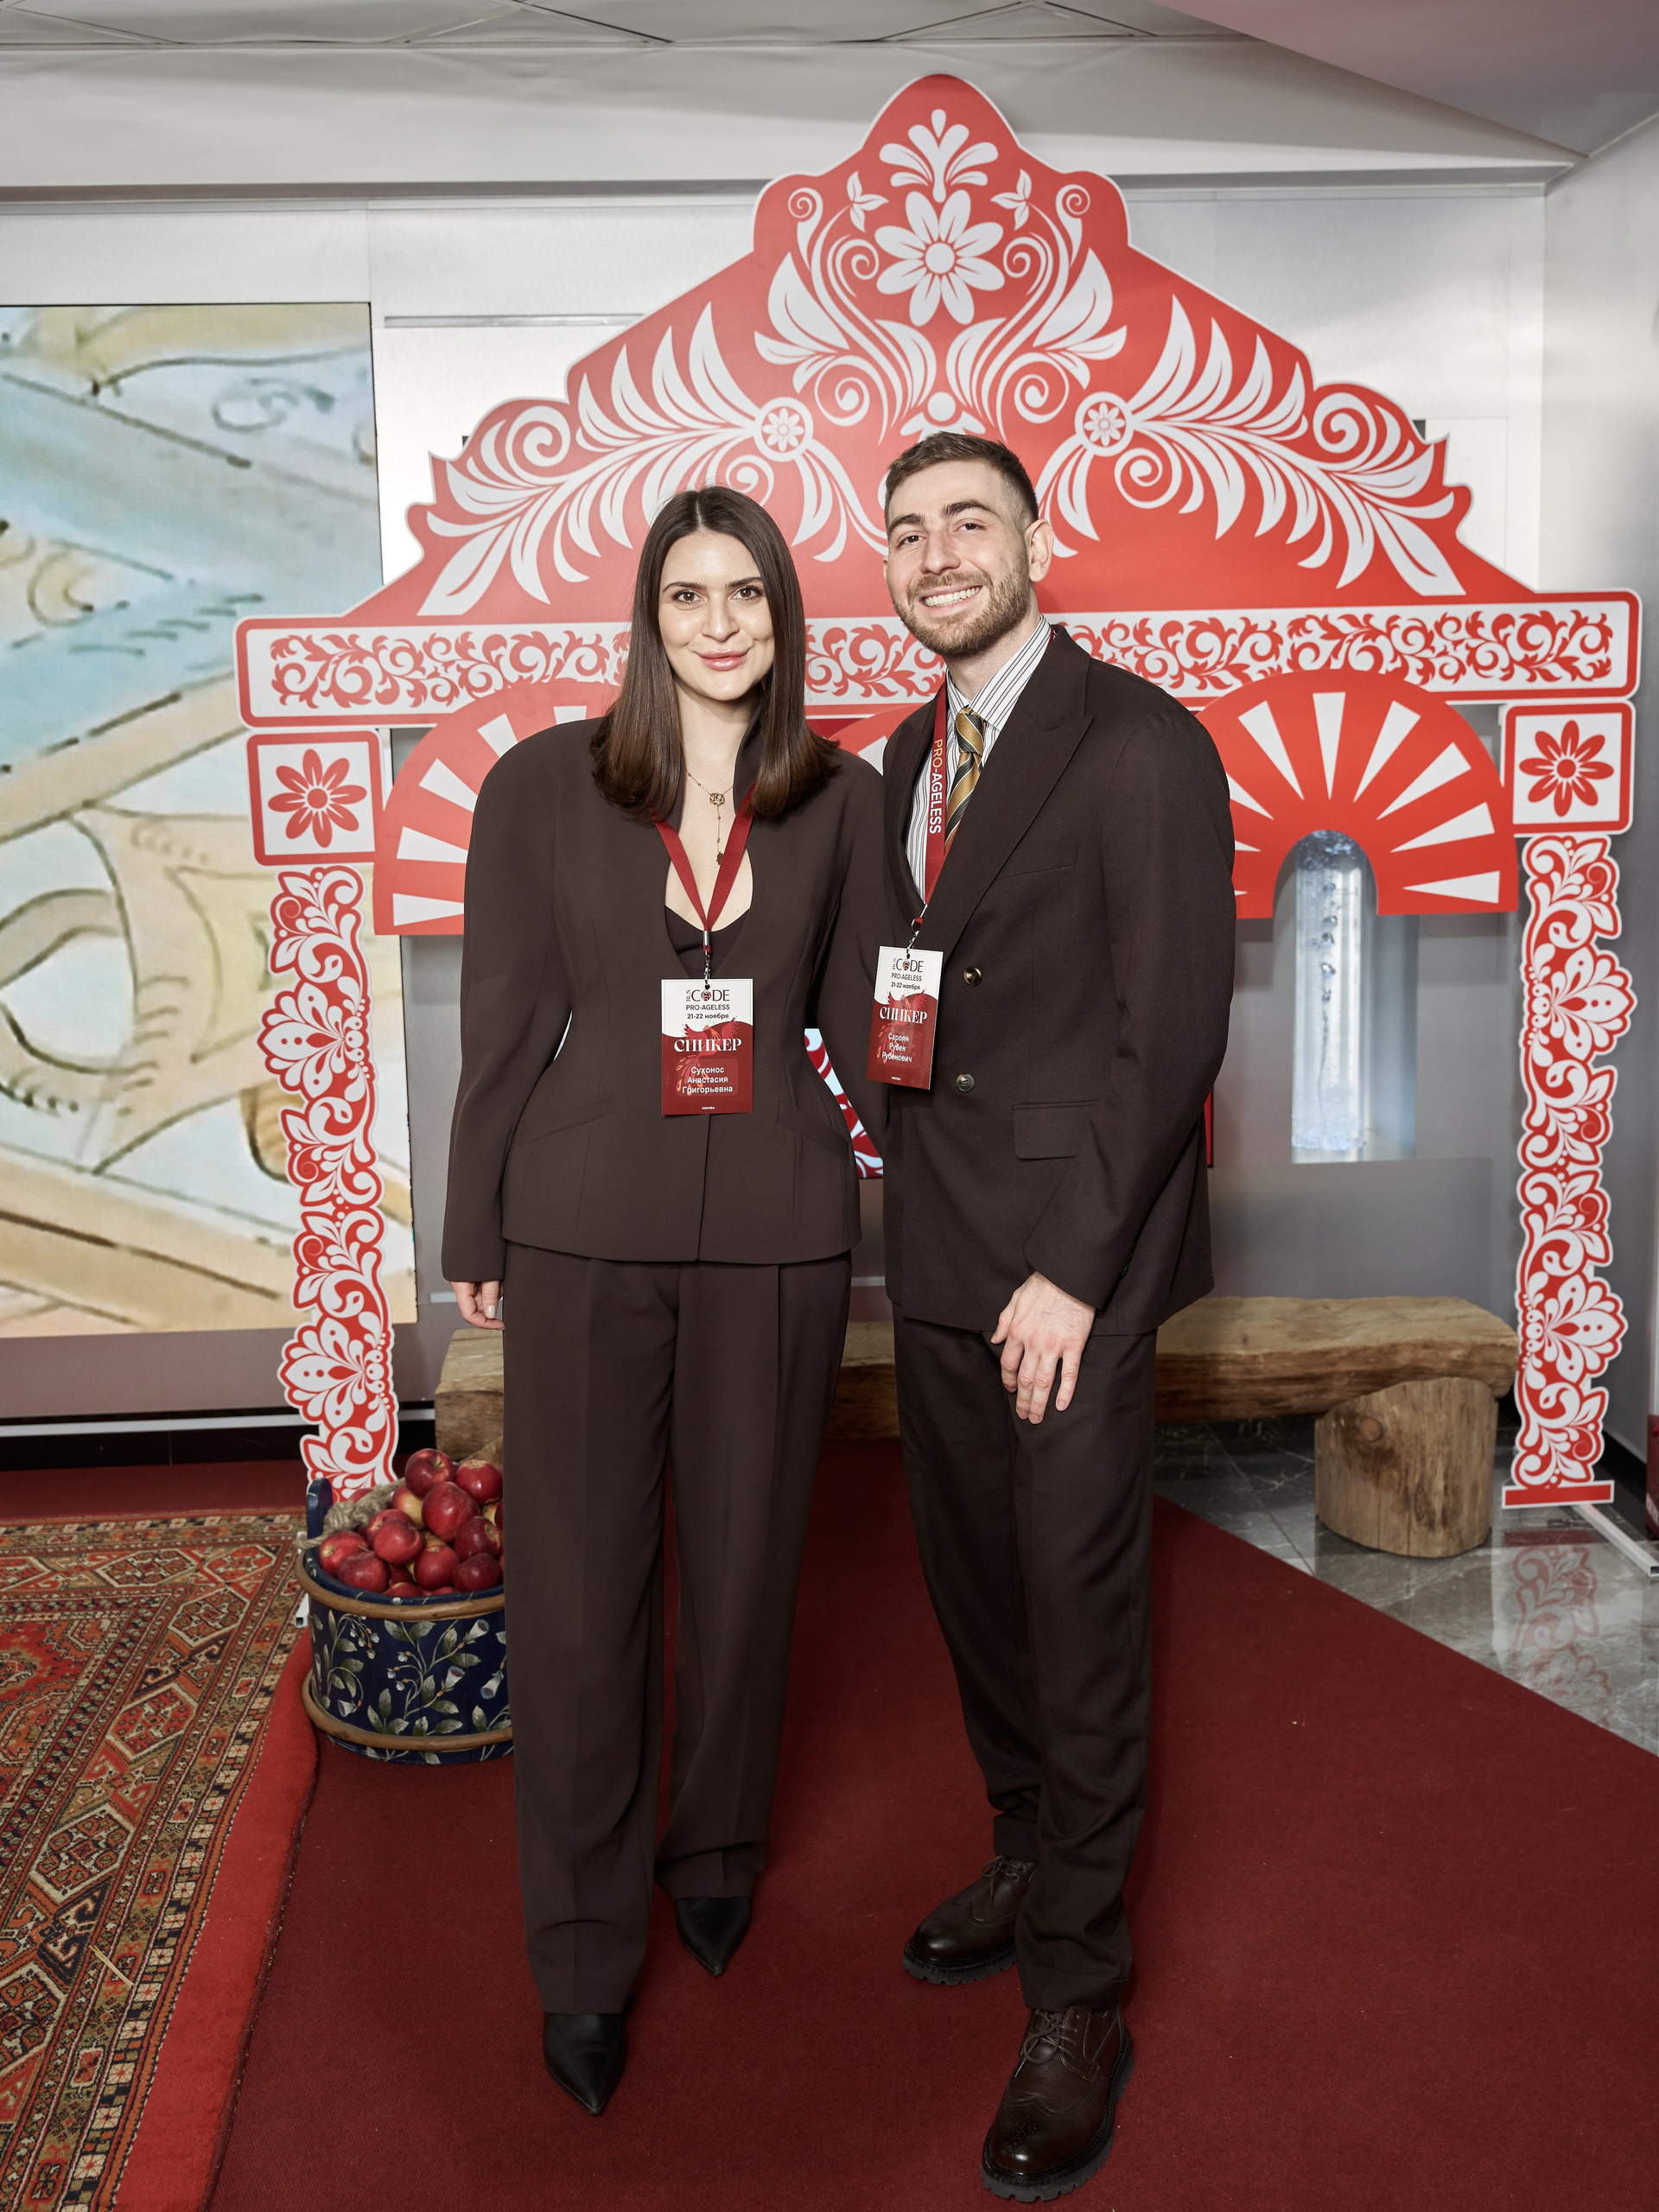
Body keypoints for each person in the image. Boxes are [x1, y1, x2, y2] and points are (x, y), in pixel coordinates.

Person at [443, 485, 887, 2119]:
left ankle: (716, 1853)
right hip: (578, 1225)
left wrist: (994, 1190)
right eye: (689, 594)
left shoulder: (843, 799)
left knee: (750, 1570)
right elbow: (504, 1019)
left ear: (782, 617)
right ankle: (579, 1950)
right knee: (578, 1597)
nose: (718, 622)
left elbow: (879, 1021)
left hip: (779, 1224)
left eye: (746, 594)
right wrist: (474, 1220)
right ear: (647, 616)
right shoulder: (540, 785)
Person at [872, 431, 1236, 2201]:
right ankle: (1028, 1850)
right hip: (937, 1245)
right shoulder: (904, 755)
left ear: (1038, 542)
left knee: (1079, 1615)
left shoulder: (1141, 742)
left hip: (1067, 1268)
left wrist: (1077, 1271)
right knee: (975, 1589)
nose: (939, 554)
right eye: (909, 532)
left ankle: (1080, 1991)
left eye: (971, 522)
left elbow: (1171, 1034)